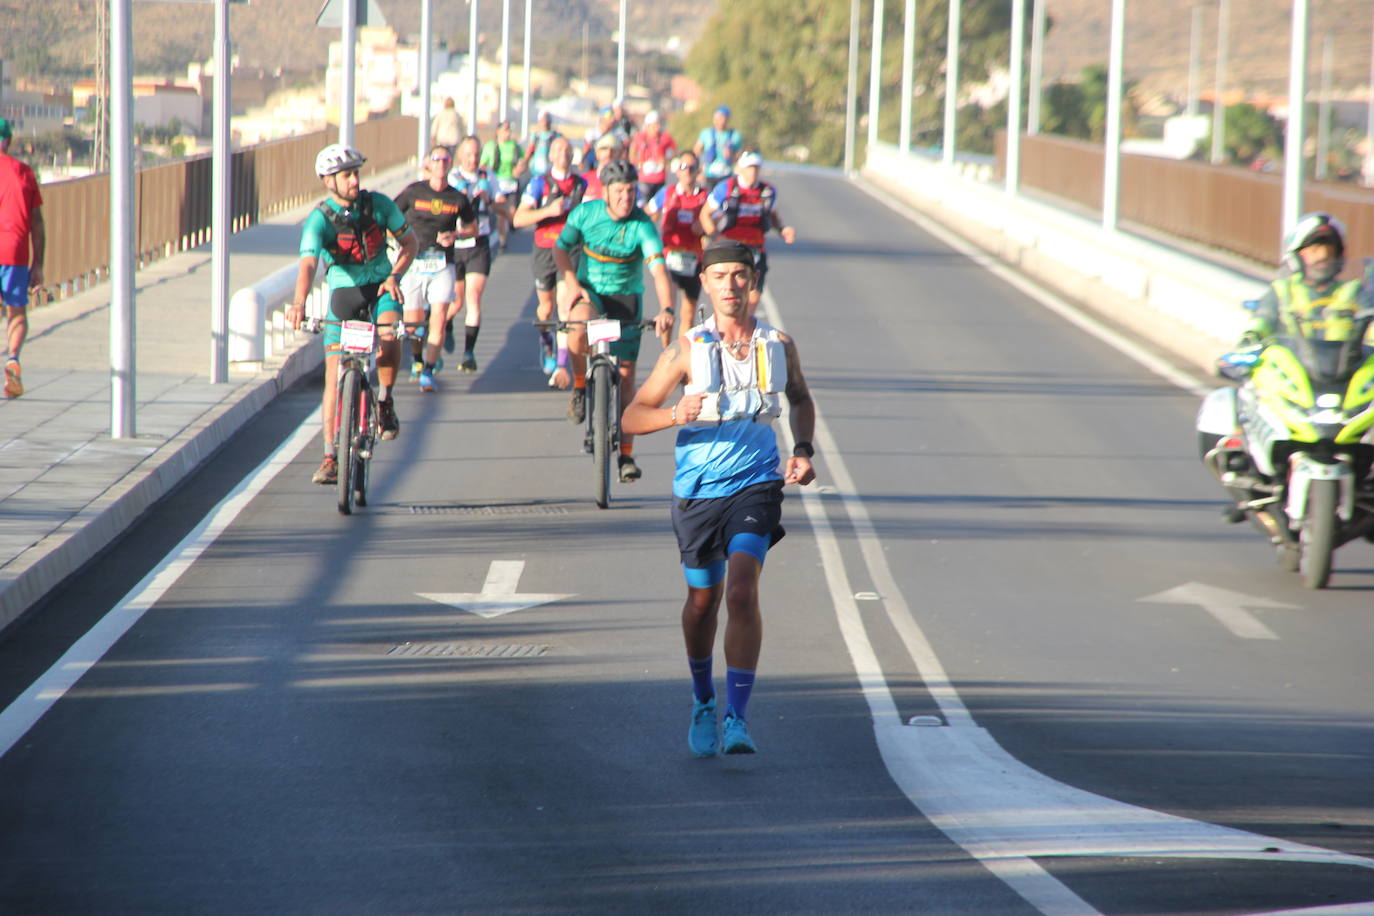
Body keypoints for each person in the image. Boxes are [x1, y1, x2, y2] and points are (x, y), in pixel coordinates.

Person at [622, 239, 816, 757]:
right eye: (720, 276)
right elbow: (632, 415)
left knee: (742, 592)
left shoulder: (778, 343)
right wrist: (672, 416)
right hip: (697, 493)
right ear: (704, 283)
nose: (731, 285)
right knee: (702, 601)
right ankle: (703, 698)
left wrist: (801, 449)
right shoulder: (686, 349)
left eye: (739, 275)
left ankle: (737, 717)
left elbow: (799, 397)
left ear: (752, 282)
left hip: (756, 485)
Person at [288, 144, 418, 486]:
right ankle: (331, 455)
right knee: (334, 375)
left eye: (356, 173)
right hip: (344, 295)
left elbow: (411, 244)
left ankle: (386, 401)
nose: (354, 180)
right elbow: (308, 263)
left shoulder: (380, 205)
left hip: (381, 288)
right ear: (328, 181)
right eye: (346, 175)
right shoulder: (319, 219)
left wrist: (394, 277)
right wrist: (299, 302)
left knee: (389, 335)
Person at [552, 159, 674, 482]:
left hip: (626, 301)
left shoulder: (642, 225)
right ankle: (580, 388)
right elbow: (560, 250)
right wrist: (571, 283)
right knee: (577, 327)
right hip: (591, 294)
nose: (626, 197)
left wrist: (667, 309)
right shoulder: (585, 214)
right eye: (619, 191)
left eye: (632, 191)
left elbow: (658, 269)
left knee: (627, 377)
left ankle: (626, 456)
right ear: (605, 191)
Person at [392, 146, 477, 392]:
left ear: (450, 165)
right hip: (414, 263)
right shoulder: (413, 192)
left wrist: (456, 235)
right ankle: (418, 360)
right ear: (428, 164)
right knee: (413, 324)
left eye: (446, 160)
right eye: (436, 159)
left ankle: (428, 371)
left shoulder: (458, 198)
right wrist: (397, 239)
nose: (441, 164)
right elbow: (390, 216)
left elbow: (474, 230)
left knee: (439, 318)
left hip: (442, 263)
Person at [1235, 213, 1372, 348]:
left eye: (1329, 251)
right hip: (1289, 366)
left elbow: (1371, 323)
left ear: (1339, 255)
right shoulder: (1282, 291)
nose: (1323, 256)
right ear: (1297, 256)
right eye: (1314, 251)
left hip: (1348, 366)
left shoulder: (1354, 291)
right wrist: (1251, 336)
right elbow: (1263, 318)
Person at [513, 135, 586, 376]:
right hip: (544, 250)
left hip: (570, 250)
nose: (563, 154)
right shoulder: (539, 183)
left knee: (565, 305)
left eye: (567, 149)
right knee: (545, 309)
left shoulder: (581, 184)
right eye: (558, 149)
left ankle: (561, 365)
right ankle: (547, 344)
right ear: (551, 156)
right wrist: (547, 211)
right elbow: (518, 218)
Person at [700, 151, 795, 311]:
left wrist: (783, 229)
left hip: (755, 249)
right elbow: (705, 215)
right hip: (730, 249)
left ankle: (744, 334)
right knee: (728, 298)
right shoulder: (726, 188)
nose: (753, 172)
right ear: (740, 168)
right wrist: (715, 236)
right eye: (749, 168)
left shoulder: (767, 191)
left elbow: (773, 217)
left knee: (752, 299)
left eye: (756, 168)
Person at [447, 135, 510, 373]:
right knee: (456, 302)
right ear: (461, 156)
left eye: (476, 154)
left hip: (478, 243)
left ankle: (468, 353)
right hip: (455, 244)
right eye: (469, 154)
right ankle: (446, 324)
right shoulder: (452, 178)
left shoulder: (488, 177)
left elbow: (501, 203)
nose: (473, 159)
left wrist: (490, 200)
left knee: (473, 298)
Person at [0, 117, 43, 399]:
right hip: (14, 250)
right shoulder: (23, 172)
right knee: (16, 311)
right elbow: (37, 223)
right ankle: (13, 357)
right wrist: (38, 263)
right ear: (9, 141)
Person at [645, 151, 709, 342]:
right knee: (668, 311)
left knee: (688, 315)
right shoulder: (667, 193)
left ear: (698, 170)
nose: (687, 171)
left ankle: (681, 358)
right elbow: (647, 213)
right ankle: (667, 354)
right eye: (683, 167)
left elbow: (715, 223)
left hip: (693, 260)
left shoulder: (705, 197)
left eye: (691, 167)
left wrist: (704, 228)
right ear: (677, 171)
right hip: (671, 258)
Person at [479, 120, 525, 249]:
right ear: (498, 131)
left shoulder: (515, 147)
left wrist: (519, 169)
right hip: (498, 184)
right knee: (500, 215)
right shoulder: (490, 147)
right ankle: (502, 240)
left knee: (511, 212)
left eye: (509, 130)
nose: (508, 133)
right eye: (505, 130)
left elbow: (522, 163)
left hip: (511, 183)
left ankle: (512, 223)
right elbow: (482, 165)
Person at [629, 110, 676, 203]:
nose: (657, 127)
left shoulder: (665, 137)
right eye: (654, 125)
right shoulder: (639, 137)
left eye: (658, 124)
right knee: (643, 203)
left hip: (659, 178)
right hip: (644, 178)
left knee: (658, 205)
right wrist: (638, 162)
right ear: (647, 126)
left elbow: (673, 151)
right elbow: (632, 153)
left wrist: (666, 159)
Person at [694, 105, 742, 190]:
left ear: (727, 119)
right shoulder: (706, 133)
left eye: (721, 118)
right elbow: (696, 152)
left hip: (726, 175)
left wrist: (730, 155)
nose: (718, 121)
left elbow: (739, 158)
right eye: (716, 118)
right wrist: (698, 172)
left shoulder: (735, 136)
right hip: (709, 176)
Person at [580, 131, 623, 203]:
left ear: (620, 153)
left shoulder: (626, 181)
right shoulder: (585, 179)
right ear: (597, 152)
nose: (609, 153)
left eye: (614, 149)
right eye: (604, 148)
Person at [521, 111, 561, 180]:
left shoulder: (556, 136)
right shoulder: (536, 136)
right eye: (543, 120)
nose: (545, 122)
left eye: (547, 120)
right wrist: (524, 162)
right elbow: (531, 150)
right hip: (535, 172)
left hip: (550, 172)